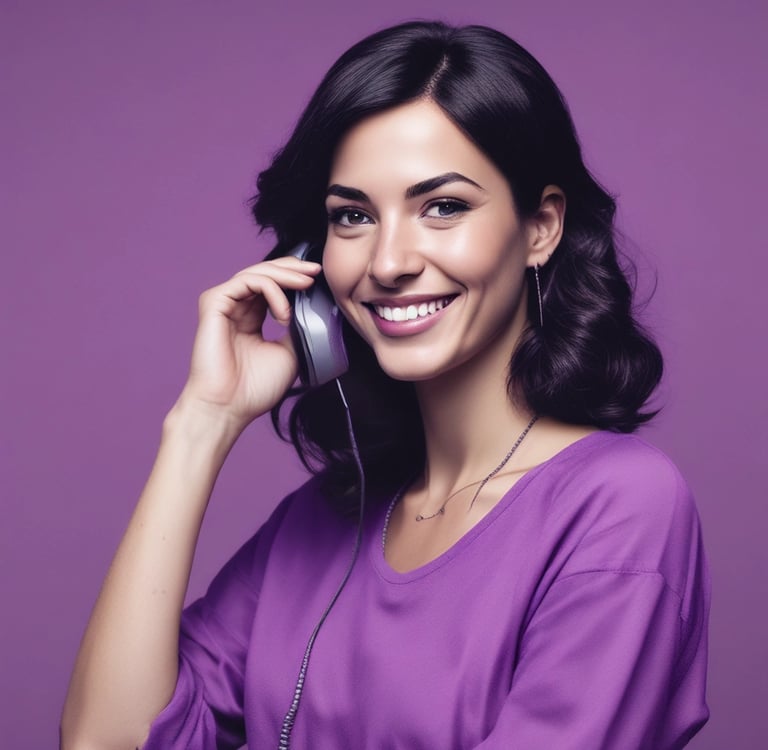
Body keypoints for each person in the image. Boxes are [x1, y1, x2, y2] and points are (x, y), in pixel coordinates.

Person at [60, 20, 710, 750]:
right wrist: (201, 424)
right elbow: (104, 743)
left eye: (443, 206)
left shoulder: (620, 507)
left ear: (541, 228)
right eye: (353, 217)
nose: (390, 261)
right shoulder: (321, 520)